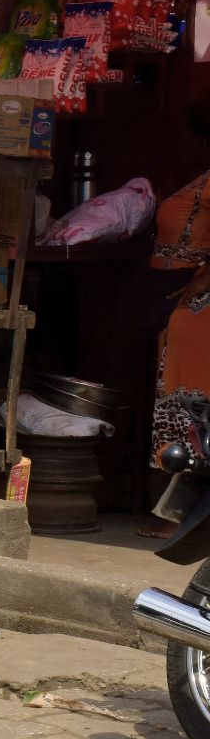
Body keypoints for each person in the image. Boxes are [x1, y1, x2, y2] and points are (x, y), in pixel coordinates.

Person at [148, 102, 210, 537]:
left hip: (198, 305)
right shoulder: (199, 178)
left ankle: (185, 517)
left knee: (189, 404)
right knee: (181, 402)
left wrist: (198, 283)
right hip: (181, 296)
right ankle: (177, 513)